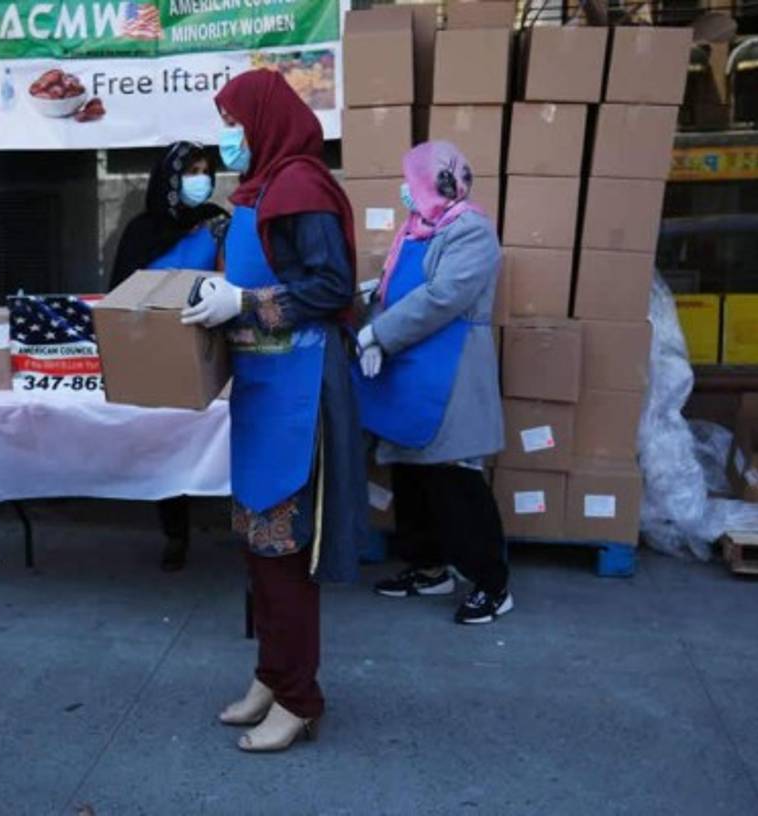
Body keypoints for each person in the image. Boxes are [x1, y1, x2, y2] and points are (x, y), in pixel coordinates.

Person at [181, 70, 370, 753]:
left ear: (263, 119)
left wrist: (246, 304)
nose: (228, 135)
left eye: (233, 121)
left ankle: (300, 697)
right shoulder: (258, 188)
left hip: (300, 390)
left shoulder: (299, 186)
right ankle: (271, 672)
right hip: (263, 388)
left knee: (286, 551)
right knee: (259, 547)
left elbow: (331, 284)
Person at [353, 141, 513, 625]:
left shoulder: (471, 231)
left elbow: (445, 297)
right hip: (410, 368)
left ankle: (492, 583)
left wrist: (378, 332)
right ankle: (428, 568)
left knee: (454, 479)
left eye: (411, 179)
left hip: (451, 370)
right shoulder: (418, 228)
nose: (405, 189)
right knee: (412, 473)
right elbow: (398, 285)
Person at [110, 140, 229, 571]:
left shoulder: (217, 223)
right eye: (191, 171)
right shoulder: (142, 230)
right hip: (153, 352)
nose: (202, 179)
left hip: (209, 347)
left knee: (218, 439)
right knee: (164, 442)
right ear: (170, 178)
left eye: (205, 170)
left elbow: (231, 275)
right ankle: (175, 534)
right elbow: (119, 294)